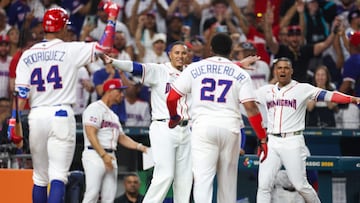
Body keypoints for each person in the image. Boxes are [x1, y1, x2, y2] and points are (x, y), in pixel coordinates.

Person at [8, 4, 121, 203]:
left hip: (36, 116)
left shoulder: (27, 54)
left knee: (40, 178)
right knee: (58, 175)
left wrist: (12, 123)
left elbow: (21, 94)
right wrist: (111, 17)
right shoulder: (70, 49)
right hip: (61, 115)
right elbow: (105, 47)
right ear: (62, 28)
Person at [166, 33, 268, 203]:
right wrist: (262, 138)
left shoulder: (194, 68)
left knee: (202, 182)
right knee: (227, 185)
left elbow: (171, 98)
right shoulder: (240, 73)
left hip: (203, 128)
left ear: (211, 49)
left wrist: (174, 116)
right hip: (231, 129)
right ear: (231, 51)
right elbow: (250, 108)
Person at [255, 57, 360, 202]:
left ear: (291, 71)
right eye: (279, 68)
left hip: (292, 140)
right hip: (271, 140)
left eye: (286, 68)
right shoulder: (266, 90)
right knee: (264, 186)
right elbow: (245, 99)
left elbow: (329, 95)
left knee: (301, 185)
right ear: (275, 71)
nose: (282, 71)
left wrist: (351, 99)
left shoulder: (302, 88)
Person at [101, 41, 193, 203]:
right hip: (164, 126)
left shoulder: (191, 72)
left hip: (186, 128)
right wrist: (114, 62)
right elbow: (135, 67)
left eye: (183, 53)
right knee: (165, 174)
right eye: (176, 53)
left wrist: (238, 64)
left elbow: (211, 68)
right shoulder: (159, 70)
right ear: (169, 54)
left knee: (185, 178)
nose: (180, 56)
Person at [81, 79, 148, 203]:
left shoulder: (113, 115)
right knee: (92, 194)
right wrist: (103, 155)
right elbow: (91, 133)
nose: (122, 95)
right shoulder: (95, 108)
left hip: (110, 156)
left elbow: (121, 138)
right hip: (95, 155)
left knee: (109, 197)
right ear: (110, 91)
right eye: (119, 91)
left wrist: (140, 147)